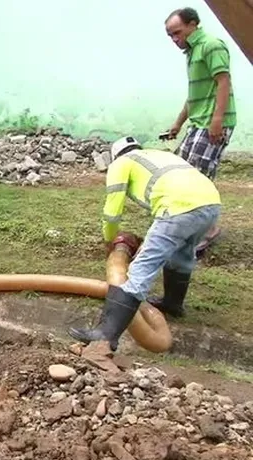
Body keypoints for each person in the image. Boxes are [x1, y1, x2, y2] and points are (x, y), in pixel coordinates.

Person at [68, 136, 221, 352]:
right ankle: (172, 304)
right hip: (211, 204)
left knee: (142, 267)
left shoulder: (122, 163)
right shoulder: (158, 155)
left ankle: (106, 334)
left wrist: (109, 240)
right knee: (183, 255)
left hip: (179, 208)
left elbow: (112, 212)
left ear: (115, 156)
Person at [163, 7, 235, 254]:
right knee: (184, 172)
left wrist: (218, 121)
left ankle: (206, 230)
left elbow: (223, 82)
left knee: (199, 178)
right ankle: (193, 226)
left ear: (193, 24)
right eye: (170, 35)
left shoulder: (212, 45)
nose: (175, 39)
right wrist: (178, 123)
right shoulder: (192, 52)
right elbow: (195, 94)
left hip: (213, 122)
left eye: (177, 33)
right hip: (198, 121)